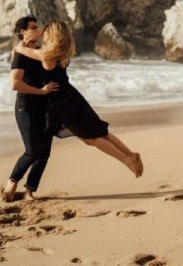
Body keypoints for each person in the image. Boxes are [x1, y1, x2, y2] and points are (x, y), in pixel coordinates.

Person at [14, 20, 144, 178]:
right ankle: (131, 154)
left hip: (64, 104)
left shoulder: (47, 55)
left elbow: (22, 50)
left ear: (53, 35)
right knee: (101, 132)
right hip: (74, 98)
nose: (43, 35)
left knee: (92, 139)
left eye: (46, 33)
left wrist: (20, 45)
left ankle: (126, 160)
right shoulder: (61, 53)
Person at [0, 15, 59, 203]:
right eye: (32, 27)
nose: (36, 29)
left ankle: (30, 190)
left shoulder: (42, 52)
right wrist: (41, 92)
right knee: (32, 151)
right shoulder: (19, 54)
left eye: (37, 26)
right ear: (22, 32)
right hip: (26, 108)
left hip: (46, 108)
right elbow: (15, 84)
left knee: (45, 152)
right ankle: (12, 181)